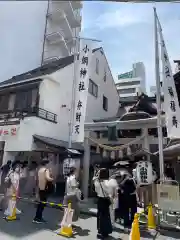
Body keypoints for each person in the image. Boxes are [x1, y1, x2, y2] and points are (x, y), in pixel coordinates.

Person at [93, 168, 112, 239]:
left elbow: (95, 190)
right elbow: (109, 192)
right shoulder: (107, 182)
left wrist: (96, 175)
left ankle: (100, 230)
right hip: (105, 200)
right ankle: (105, 232)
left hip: (99, 199)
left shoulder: (96, 182)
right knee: (106, 216)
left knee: (100, 216)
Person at [33, 159, 53, 223]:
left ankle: (37, 217)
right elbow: (48, 178)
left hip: (40, 188)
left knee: (40, 204)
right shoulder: (46, 170)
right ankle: (38, 218)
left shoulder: (40, 170)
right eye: (49, 163)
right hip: (44, 189)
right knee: (42, 204)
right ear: (46, 164)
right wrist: (52, 178)